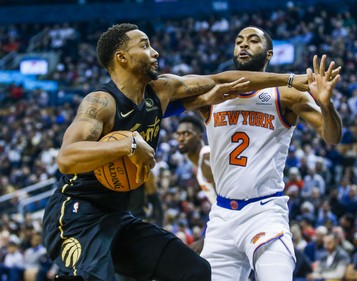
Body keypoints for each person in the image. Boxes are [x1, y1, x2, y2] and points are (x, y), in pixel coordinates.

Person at [42, 23, 311, 281]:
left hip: (117, 216)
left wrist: (291, 79)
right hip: (76, 214)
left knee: (196, 272)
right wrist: (129, 145)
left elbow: (223, 78)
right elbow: (66, 158)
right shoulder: (101, 102)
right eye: (145, 46)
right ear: (122, 57)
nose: (155, 52)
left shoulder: (161, 91)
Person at [182, 26, 342, 281]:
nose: (243, 45)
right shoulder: (214, 92)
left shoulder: (286, 94)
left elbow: (332, 137)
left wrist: (327, 106)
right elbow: (181, 87)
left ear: (269, 55)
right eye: (238, 41)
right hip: (222, 217)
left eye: (253, 41)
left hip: (264, 212)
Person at [176, 115, 216, 253]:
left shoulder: (207, 158)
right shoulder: (199, 162)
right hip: (227, 218)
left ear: (199, 137)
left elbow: (229, 201)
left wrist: (207, 238)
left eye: (187, 134)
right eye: (179, 134)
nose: (181, 138)